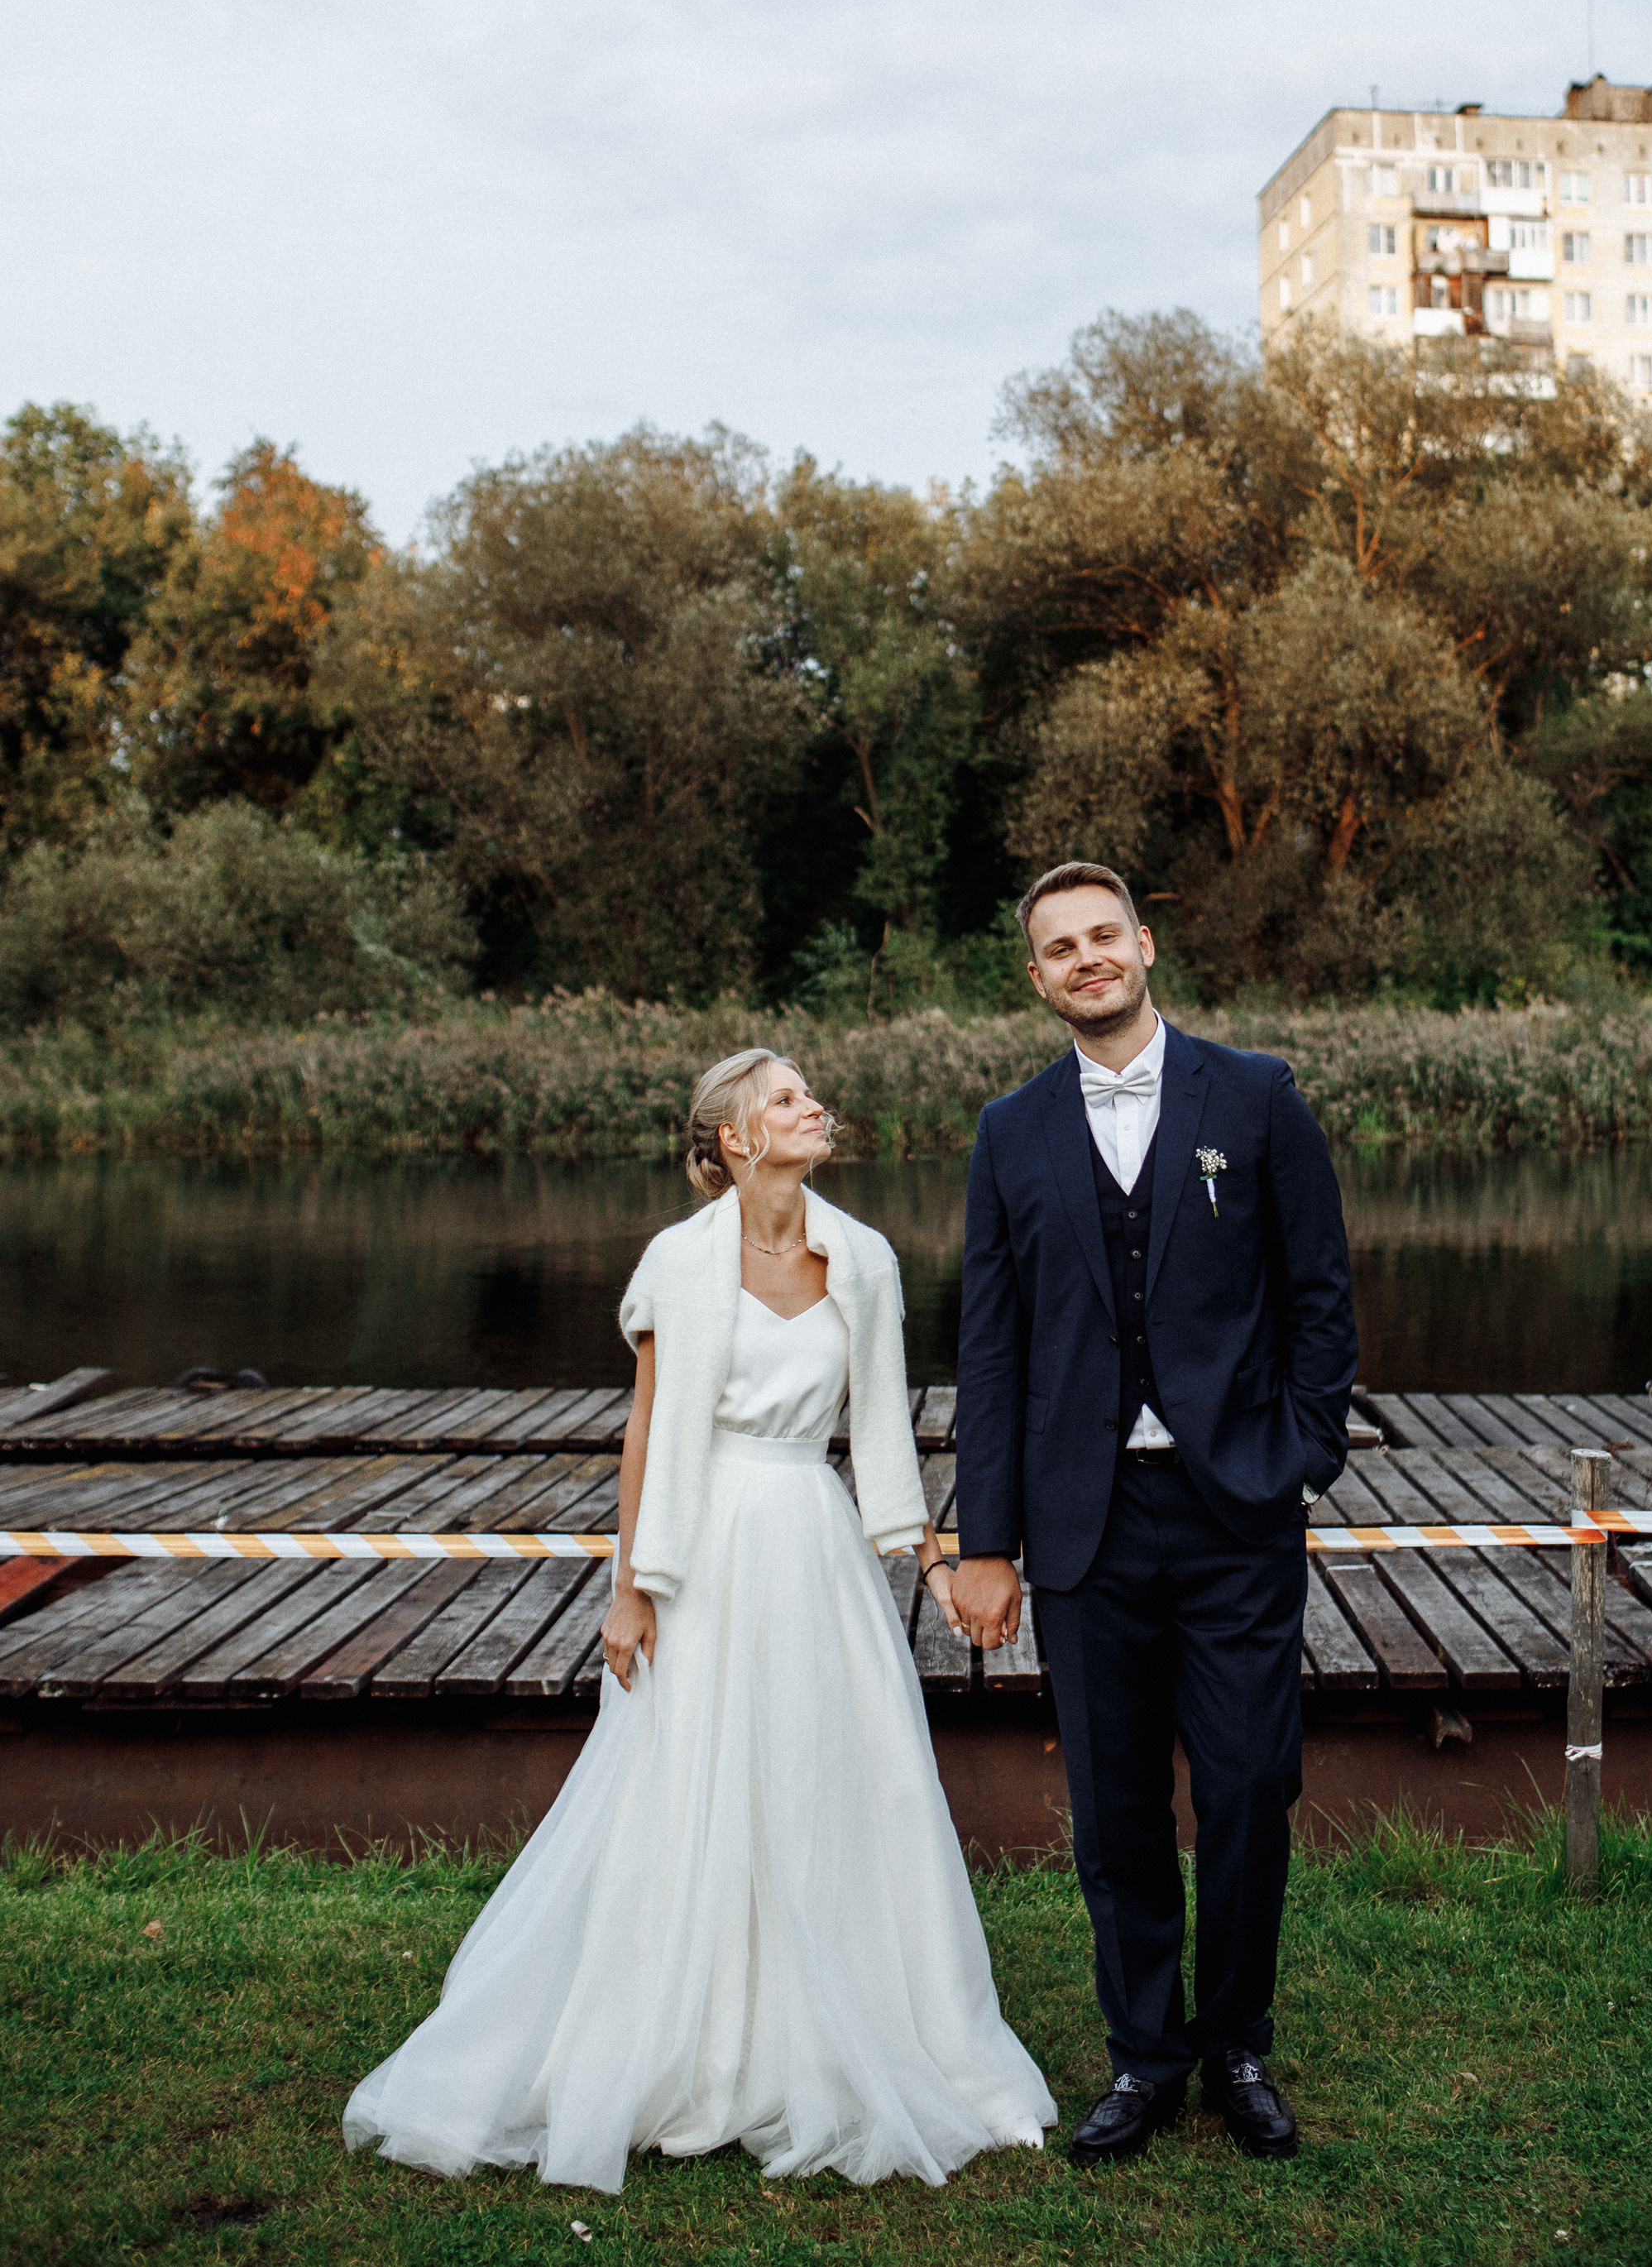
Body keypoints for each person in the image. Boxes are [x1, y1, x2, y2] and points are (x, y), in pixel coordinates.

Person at [345, 1048, 1055, 2191]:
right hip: (704, 1548)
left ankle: (832, 2035)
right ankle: (680, 2037)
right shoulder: (678, 1263)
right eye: (785, 1098)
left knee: (827, 1774)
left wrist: (927, 1559)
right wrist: (630, 1585)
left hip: (812, 1540)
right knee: (689, 1777)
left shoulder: (864, 1258)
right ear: (734, 1137)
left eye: (809, 1093)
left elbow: (881, 1428)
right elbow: (645, 1432)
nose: (812, 1106)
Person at [952, 865, 1357, 2169]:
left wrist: (1302, 1453)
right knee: (1116, 1808)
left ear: (1142, 944)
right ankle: (1143, 2058)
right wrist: (986, 1539)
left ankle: (1235, 2043)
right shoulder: (1008, 1131)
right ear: (1036, 978)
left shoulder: (1255, 1095)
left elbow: (1318, 1294)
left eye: (1101, 936)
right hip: (1083, 1523)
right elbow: (991, 1350)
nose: (1085, 960)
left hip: (1236, 1506)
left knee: (1246, 1789)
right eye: (1057, 948)